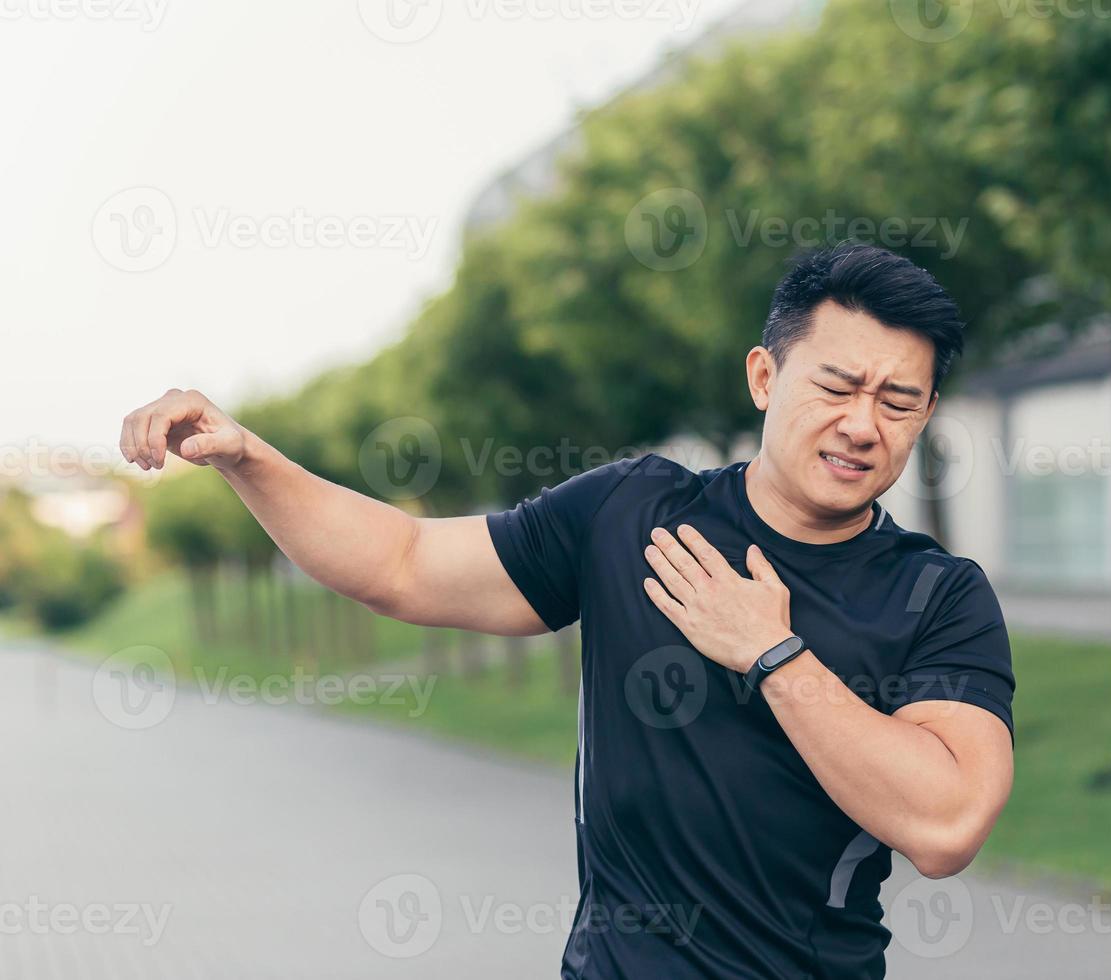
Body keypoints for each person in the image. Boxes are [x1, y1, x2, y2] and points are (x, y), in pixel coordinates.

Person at [118, 241, 1015, 978]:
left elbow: (947, 823)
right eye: (837, 386)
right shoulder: (630, 512)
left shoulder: (939, 595)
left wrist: (772, 654)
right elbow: (402, 561)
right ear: (763, 377)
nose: (864, 423)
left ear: (927, 411)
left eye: (898, 402)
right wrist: (249, 459)